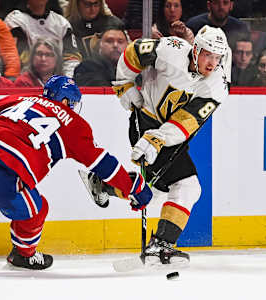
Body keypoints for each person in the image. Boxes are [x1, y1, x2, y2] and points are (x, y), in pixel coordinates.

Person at [0, 75, 152, 270]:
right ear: (70, 102)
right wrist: (134, 188)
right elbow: (103, 164)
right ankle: (23, 254)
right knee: (36, 210)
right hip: (5, 172)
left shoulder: (23, 99)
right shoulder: (74, 124)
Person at [88, 26, 231, 266]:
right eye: (208, 54)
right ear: (195, 50)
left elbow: (188, 120)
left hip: (170, 136)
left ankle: (104, 185)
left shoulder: (217, 85)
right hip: (144, 122)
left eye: (218, 57)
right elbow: (134, 52)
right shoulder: (170, 50)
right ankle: (162, 246)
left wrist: (160, 138)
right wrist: (124, 84)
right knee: (187, 187)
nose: (212, 63)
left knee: (156, 193)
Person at [4, 0, 81, 78]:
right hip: (26, 81)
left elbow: (71, 59)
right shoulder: (15, 20)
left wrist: (68, 80)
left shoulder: (62, 23)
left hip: (58, 80)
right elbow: (19, 59)